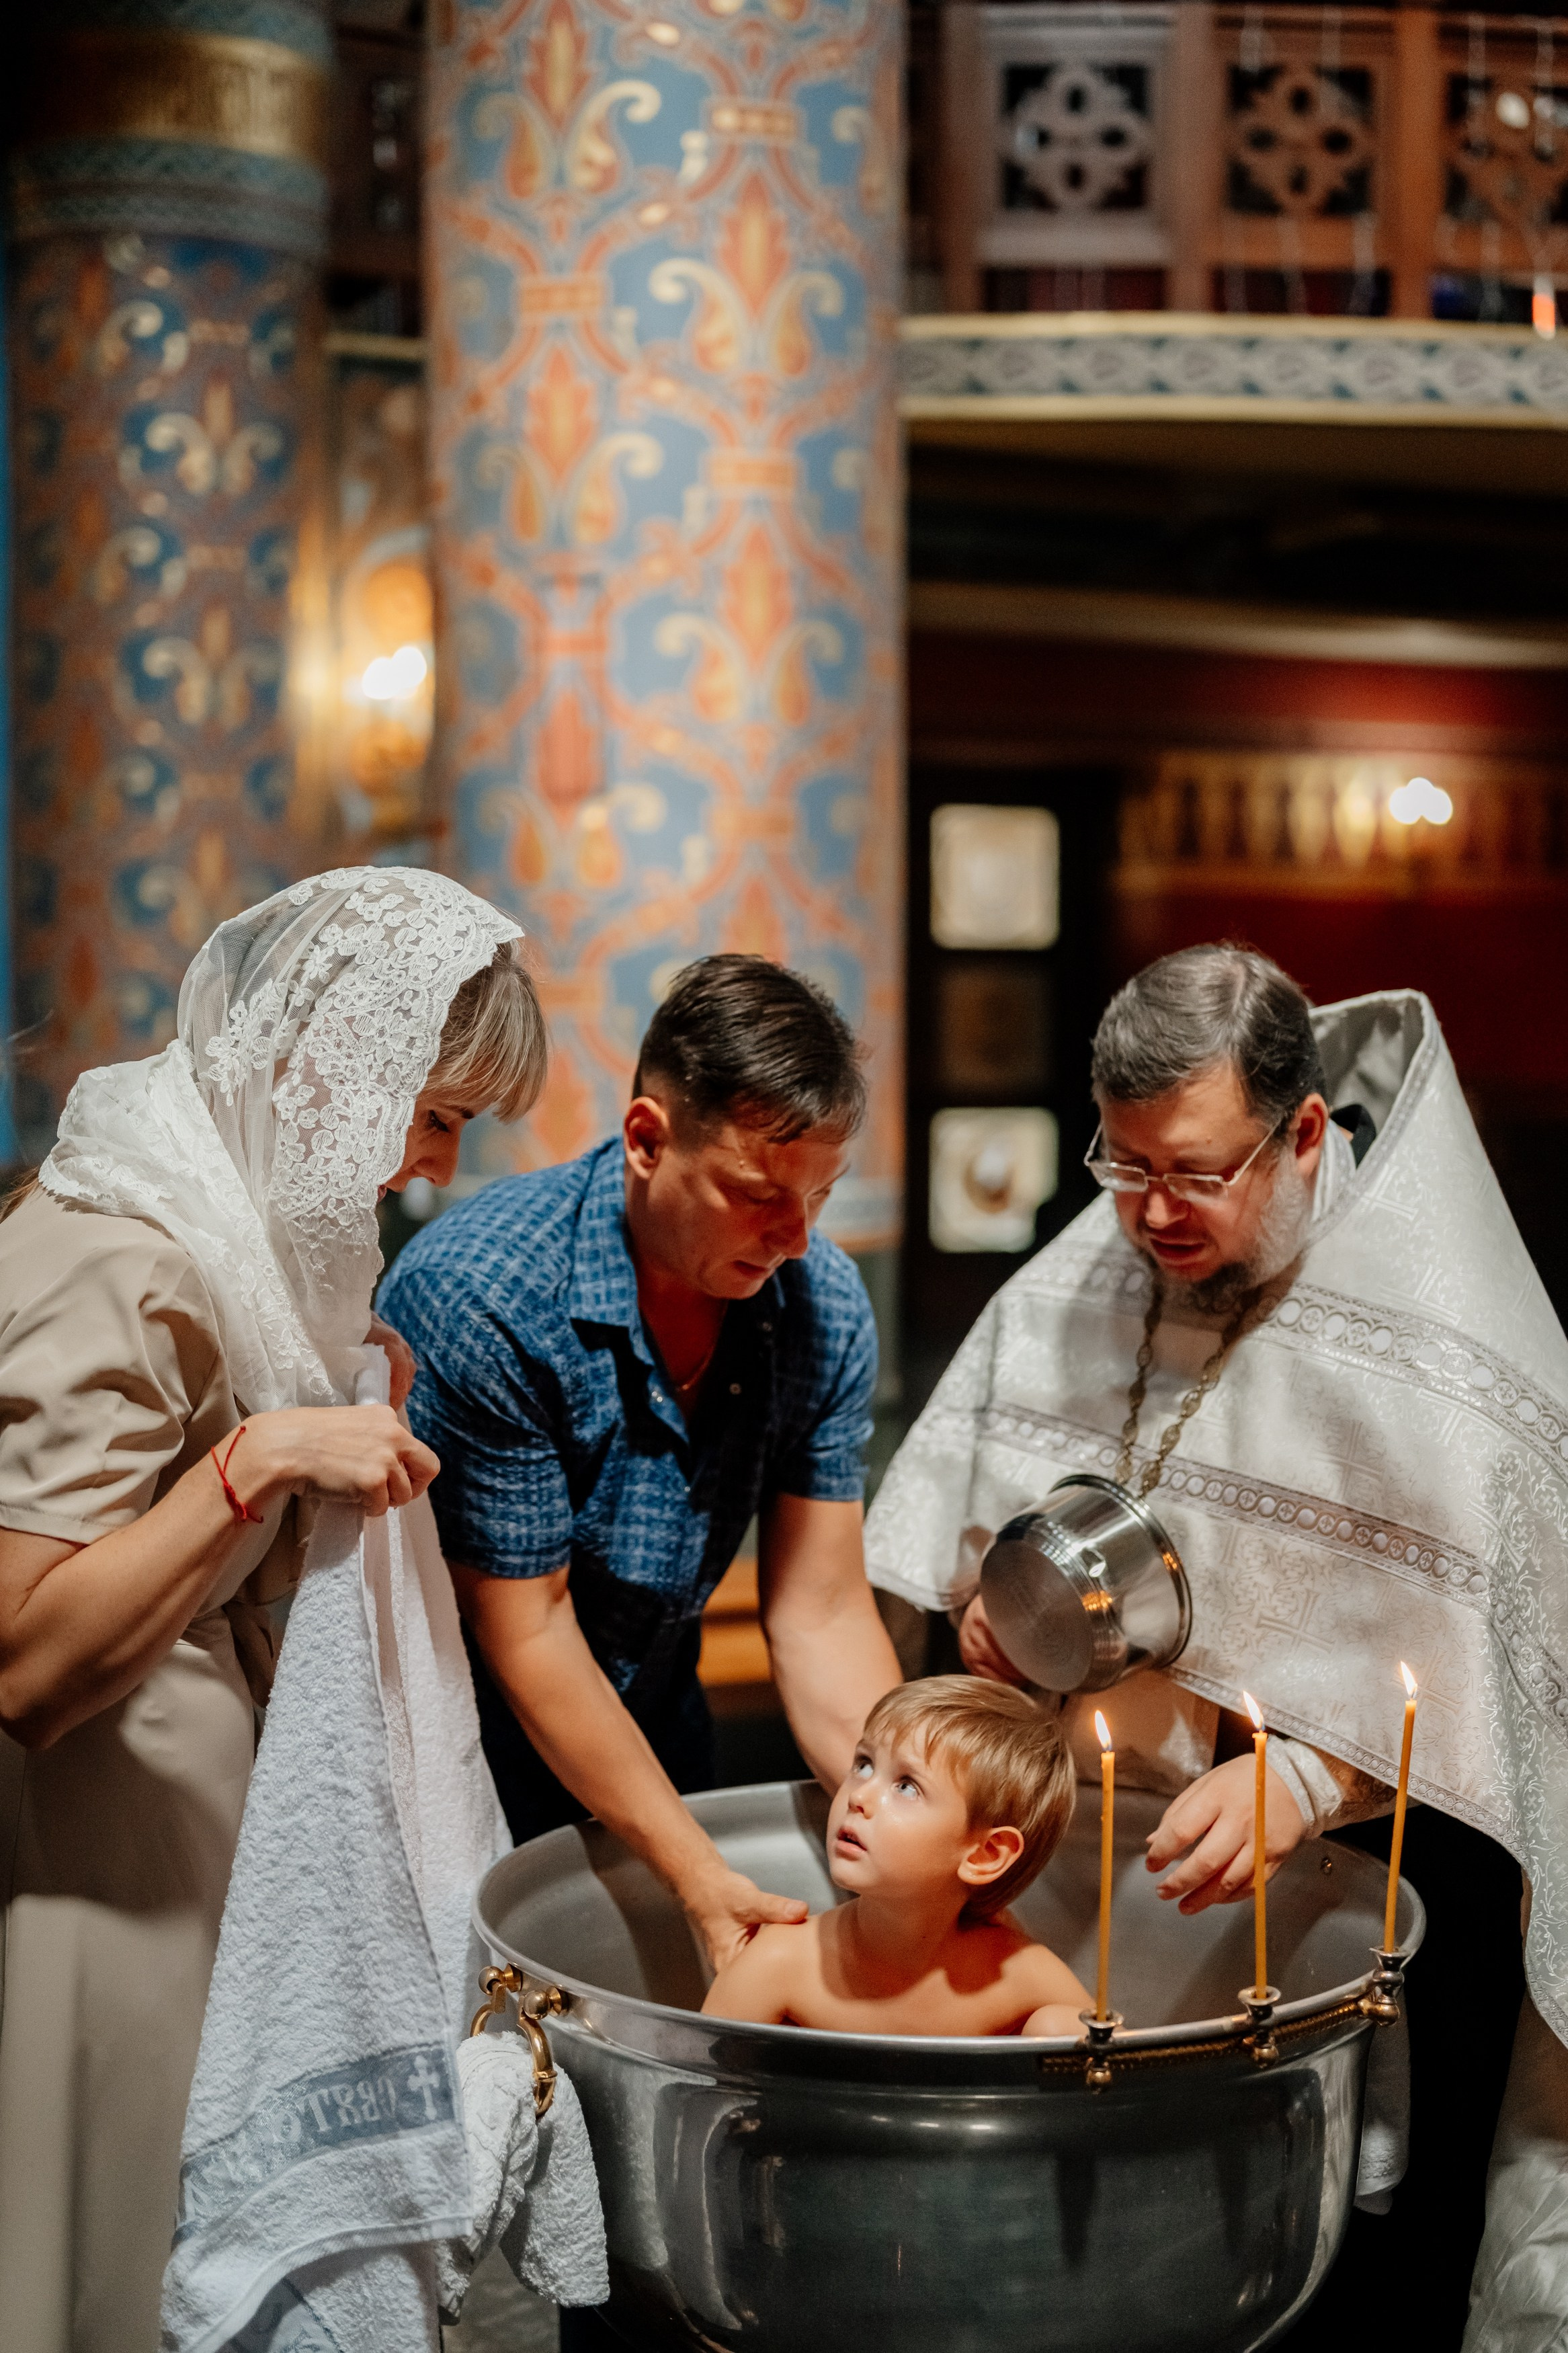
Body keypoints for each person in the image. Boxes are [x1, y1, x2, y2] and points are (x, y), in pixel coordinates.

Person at [864, 944, 1568, 2346]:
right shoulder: (1103, 1254)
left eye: (1195, 1171)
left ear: (1303, 1132)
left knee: (1363, 2265)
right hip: (1131, 1837)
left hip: (1398, 1870)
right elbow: (984, 1513)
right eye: (1120, 1169)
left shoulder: (1447, 1330)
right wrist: (998, 1627)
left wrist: (1309, 1783)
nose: (1153, 1214)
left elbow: (1512, 1665)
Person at [0, 869, 546, 2353]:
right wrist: (267, 1458)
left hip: (188, 1839)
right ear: (332, 1068)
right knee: (94, 2263)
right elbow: (27, 1657)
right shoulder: (123, 1254)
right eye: (430, 1113)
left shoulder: (222, 1238)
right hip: (98, 1861)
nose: (426, 1166)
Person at [380, 954, 904, 1977]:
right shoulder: (484, 1294)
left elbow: (823, 1610)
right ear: (646, 1140)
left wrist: (909, 1819)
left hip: (664, 1744)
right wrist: (694, 1872)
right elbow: (527, 1627)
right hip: (451, 1771)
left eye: (819, 1197)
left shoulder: (822, 1305)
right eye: (756, 1195)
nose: (795, 1239)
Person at [702, 1675, 1087, 2038]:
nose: (858, 1796)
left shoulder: (1023, 1976)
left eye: (906, 1787)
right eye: (864, 1765)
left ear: (985, 1854)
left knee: (1063, 2030)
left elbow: (1131, 2084)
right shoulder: (780, 1963)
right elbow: (690, 2090)